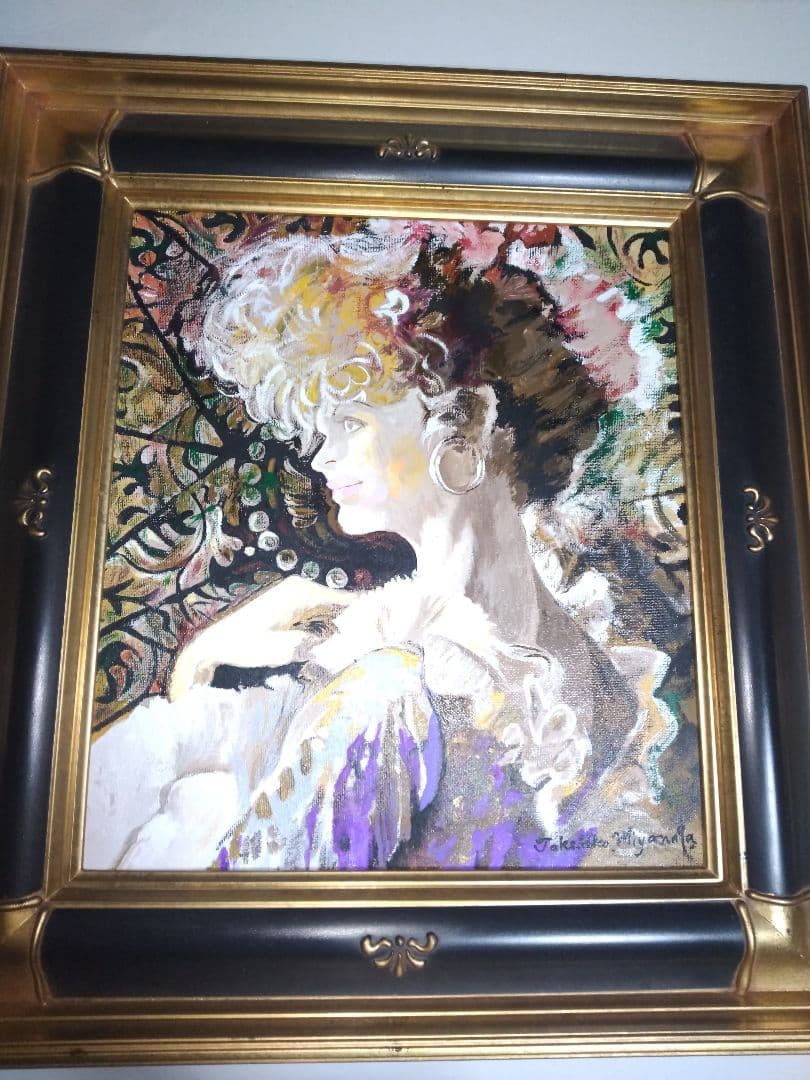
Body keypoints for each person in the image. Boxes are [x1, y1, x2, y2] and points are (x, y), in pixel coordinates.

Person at [84, 222, 697, 871]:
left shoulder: (390, 692)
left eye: (350, 422)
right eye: (319, 429)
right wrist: (206, 658)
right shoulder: (594, 674)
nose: (321, 456)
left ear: (467, 420)